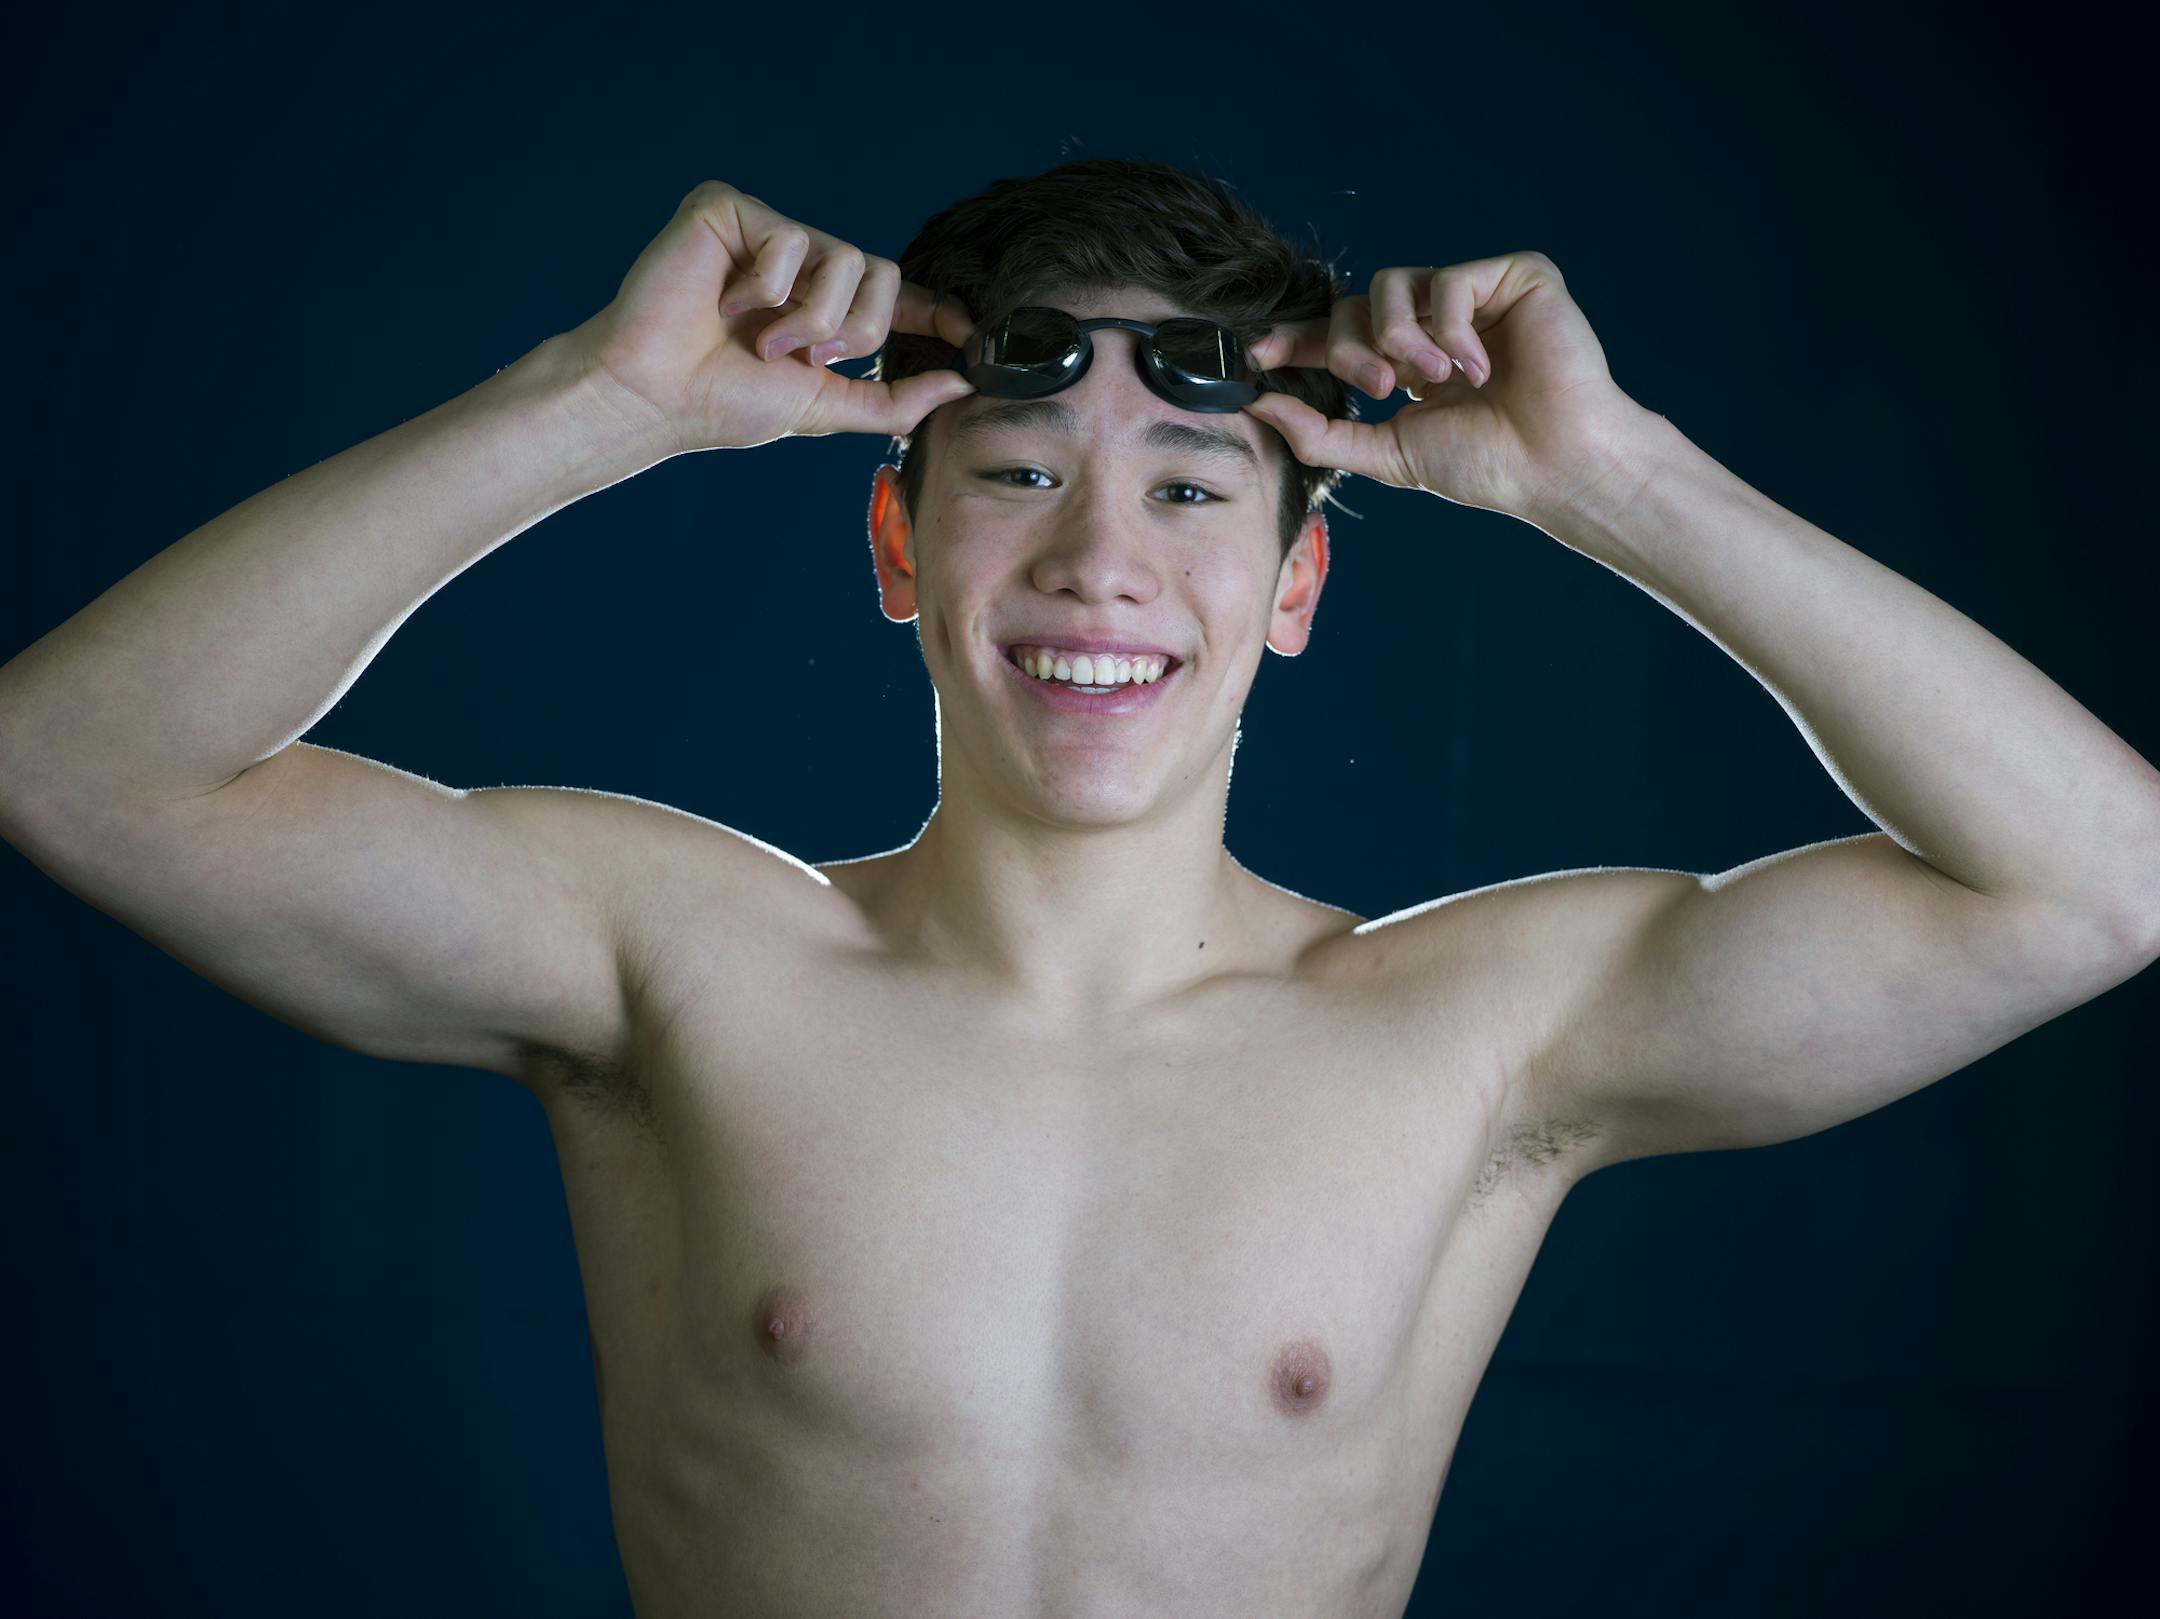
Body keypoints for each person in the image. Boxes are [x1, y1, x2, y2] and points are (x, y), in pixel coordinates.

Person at [2, 157, 2155, 1617]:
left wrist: (1619, 481)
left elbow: (2100, 879)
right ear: (893, 547)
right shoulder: (675, 957)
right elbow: (77, 765)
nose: (1098, 564)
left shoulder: (1484, 1031)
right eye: (1015, 476)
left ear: (1299, 581)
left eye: (1195, 490)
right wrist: (606, 400)